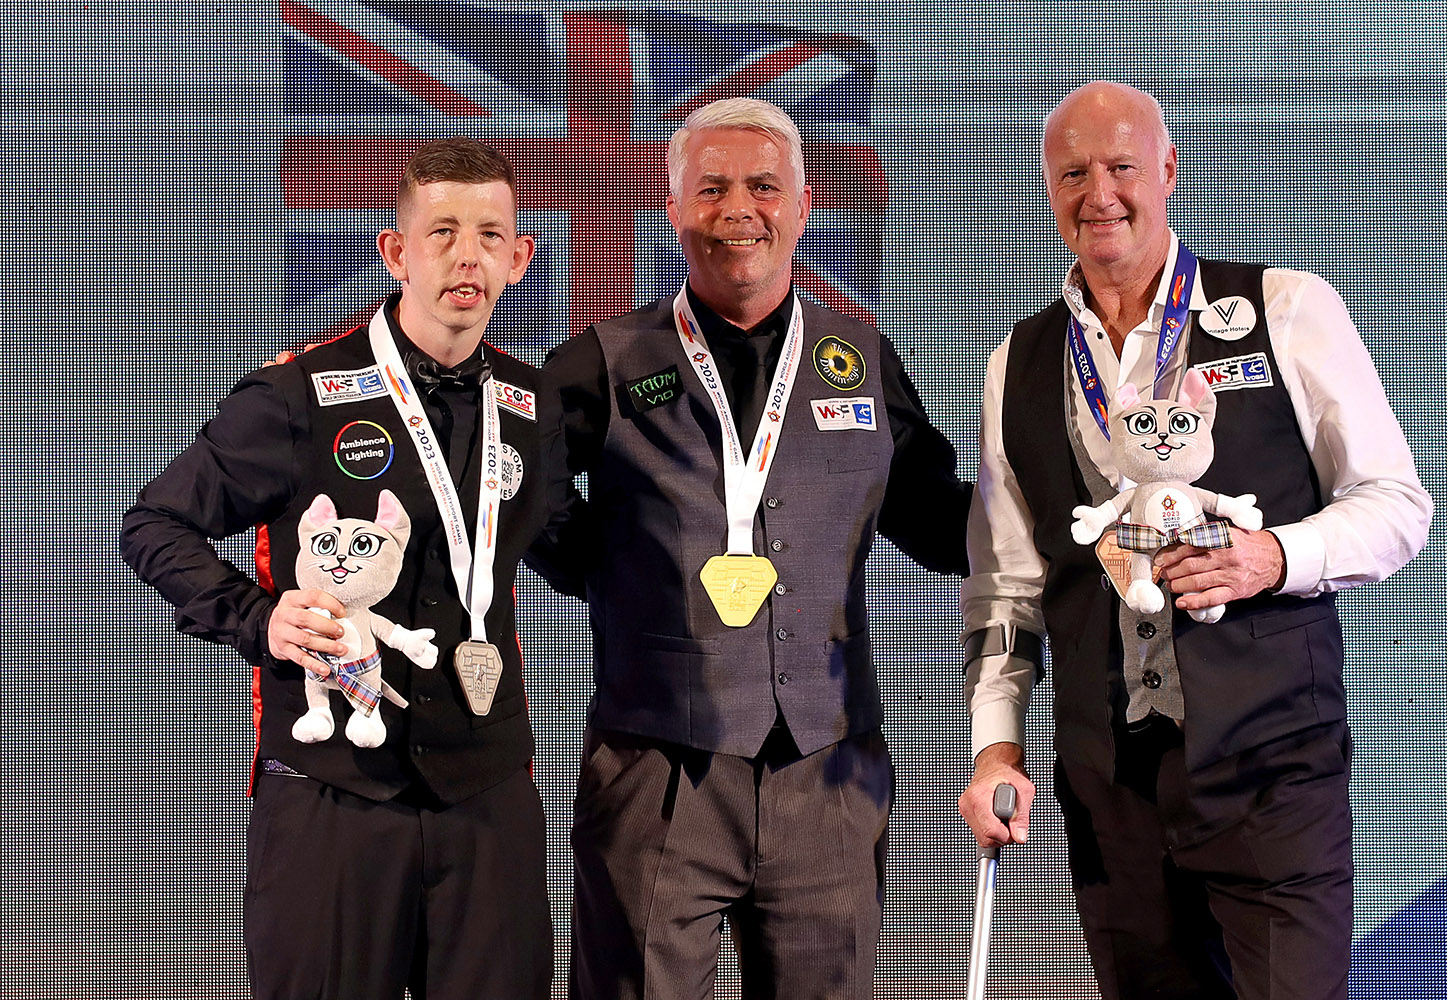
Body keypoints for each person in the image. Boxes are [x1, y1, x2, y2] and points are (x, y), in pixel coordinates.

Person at [958, 81, 1432, 1000]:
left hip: (1271, 772)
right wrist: (994, 747)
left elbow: (1396, 504)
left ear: (1169, 171)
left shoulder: (1286, 308)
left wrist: (1277, 557)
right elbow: (1004, 586)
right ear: (1048, 191)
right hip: (1111, 786)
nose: (1100, 193)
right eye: (1073, 173)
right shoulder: (1015, 364)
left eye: (1122, 166)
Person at [537, 97, 972, 999]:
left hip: (830, 773)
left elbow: (937, 523)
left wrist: (1079, 511)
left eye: (764, 187)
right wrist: (610, 574)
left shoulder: (863, 358)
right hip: (657, 773)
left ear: (804, 205)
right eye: (713, 188)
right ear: (674, 209)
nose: (740, 208)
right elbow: (514, 490)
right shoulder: (604, 360)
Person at [120, 137, 567, 1000]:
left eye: (488, 234)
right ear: (396, 253)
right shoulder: (296, 396)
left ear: (520, 259)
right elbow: (155, 523)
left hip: (488, 793)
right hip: (330, 794)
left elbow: (566, 542)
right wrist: (259, 620)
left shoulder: (536, 403)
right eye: (441, 232)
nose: (466, 254)